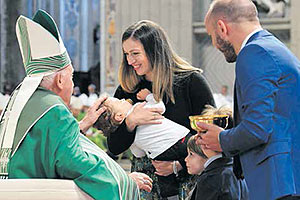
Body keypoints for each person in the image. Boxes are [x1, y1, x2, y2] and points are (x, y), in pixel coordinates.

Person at [0, 10, 152, 200]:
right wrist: (125, 181)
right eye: (71, 77)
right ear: (61, 81)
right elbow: (75, 164)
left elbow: (45, 148)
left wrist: (82, 125)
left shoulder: (18, 103)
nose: (72, 85)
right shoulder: (54, 109)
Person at [197, 0, 300, 199]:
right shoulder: (272, 48)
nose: (213, 43)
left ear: (221, 27)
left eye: (211, 35)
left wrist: (220, 139)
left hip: (278, 184)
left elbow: (257, 128)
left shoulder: (254, 52)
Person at [107, 20, 215, 199]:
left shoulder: (191, 82)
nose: (130, 61)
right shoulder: (127, 90)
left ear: (154, 51)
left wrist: (179, 164)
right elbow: (114, 146)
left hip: (186, 181)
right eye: (126, 54)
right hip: (144, 185)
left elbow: (212, 135)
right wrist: (131, 121)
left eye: (135, 53)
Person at [98, 88, 192, 199]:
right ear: (119, 116)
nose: (123, 99)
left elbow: (138, 153)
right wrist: (149, 96)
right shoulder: (138, 109)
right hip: (179, 139)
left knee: (165, 181)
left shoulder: (128, 132)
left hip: (159, 156)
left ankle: (172, 196)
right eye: (119, 101)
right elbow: (160, 107)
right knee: (194, 147)